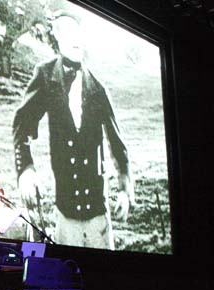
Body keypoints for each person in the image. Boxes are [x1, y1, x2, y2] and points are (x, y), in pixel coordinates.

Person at [12, 10, 134, 250]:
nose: (74, 37)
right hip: (65, 212)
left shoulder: (97, 88)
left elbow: (118, 145)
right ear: (56, 36)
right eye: (66, 31)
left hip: (98, 212)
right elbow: (22, 123)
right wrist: (25, 168)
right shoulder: (46, 76)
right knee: (67, 273)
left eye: (77, 31)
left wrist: (124, 189)